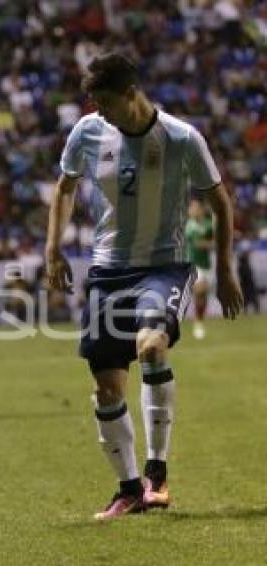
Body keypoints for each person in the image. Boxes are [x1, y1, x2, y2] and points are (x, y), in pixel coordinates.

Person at [45, 52, 244, 521]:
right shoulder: (88, 132)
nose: (98, 109)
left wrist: (225, 268)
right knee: (107, 389)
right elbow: (65, 188)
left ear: (131, 92)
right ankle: (130, 489)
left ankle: (157, 474)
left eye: (105, 100)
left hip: (163, 266)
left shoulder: (180, 138)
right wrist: (53, 249)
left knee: (152, 346)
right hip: (108, 270)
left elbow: (220, 203)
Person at [184, 198, 214, 339]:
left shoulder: (209, 225)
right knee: (200, 289)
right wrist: (211, 244)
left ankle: (200, 320)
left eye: (194, 207)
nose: (191, 210)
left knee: (204, 294)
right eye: (191, 208)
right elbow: (197, 243)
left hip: (207, 265)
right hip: (194, 264)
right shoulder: (190, 226)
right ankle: (197, 321)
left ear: (201, 210)